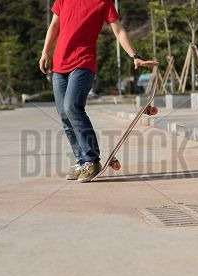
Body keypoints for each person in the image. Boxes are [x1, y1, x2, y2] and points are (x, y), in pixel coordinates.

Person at [39, 0, 158, 183]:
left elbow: (118, 30)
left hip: (83, 63)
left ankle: (92, 160)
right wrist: (45, 51)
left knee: (72, 107)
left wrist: (135, 56)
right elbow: (55, 24)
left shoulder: (103, 2)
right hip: (59, 65)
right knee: (64, 113)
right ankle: (82, 161)